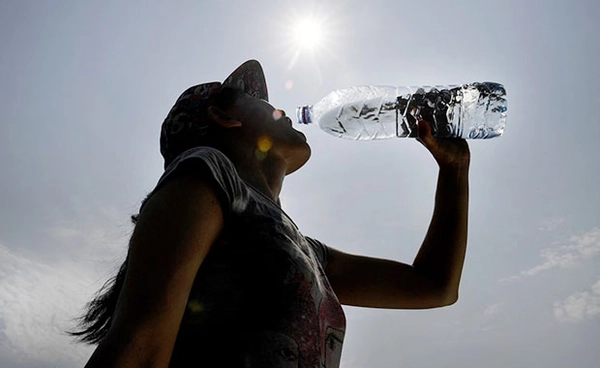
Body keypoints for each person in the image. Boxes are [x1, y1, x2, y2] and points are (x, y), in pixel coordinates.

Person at [73, 60, 470, 368]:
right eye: (266, 105)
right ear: (225, 117)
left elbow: (434, 287)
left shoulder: (302, 249)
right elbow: (139, 352)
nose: (283, 111)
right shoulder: (206, 173)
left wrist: (453, 171)